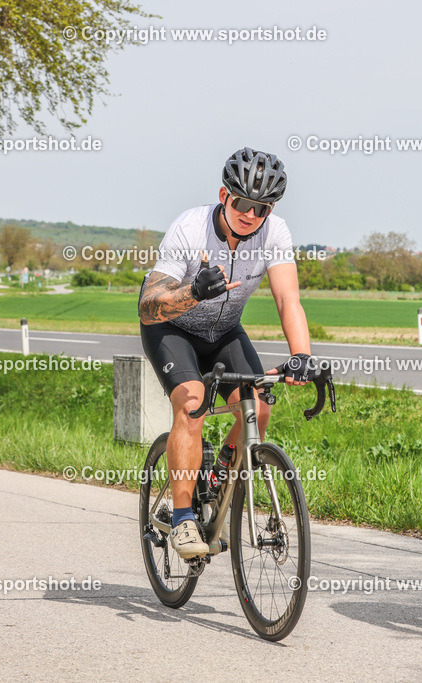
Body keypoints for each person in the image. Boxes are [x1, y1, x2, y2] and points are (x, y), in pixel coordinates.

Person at [138, 147, 316, 559]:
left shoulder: (276, 233)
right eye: (242, 203)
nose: (250, 215)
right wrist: (192, 291)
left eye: (261, 208)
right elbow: (150, 305)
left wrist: (302, 355)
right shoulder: (189, 228)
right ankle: (182, 519)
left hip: (222, 331)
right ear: (224, 196)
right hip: (171, 329)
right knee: (192, 403)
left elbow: (289, 299)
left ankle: (217, 477)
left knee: (259, 409)